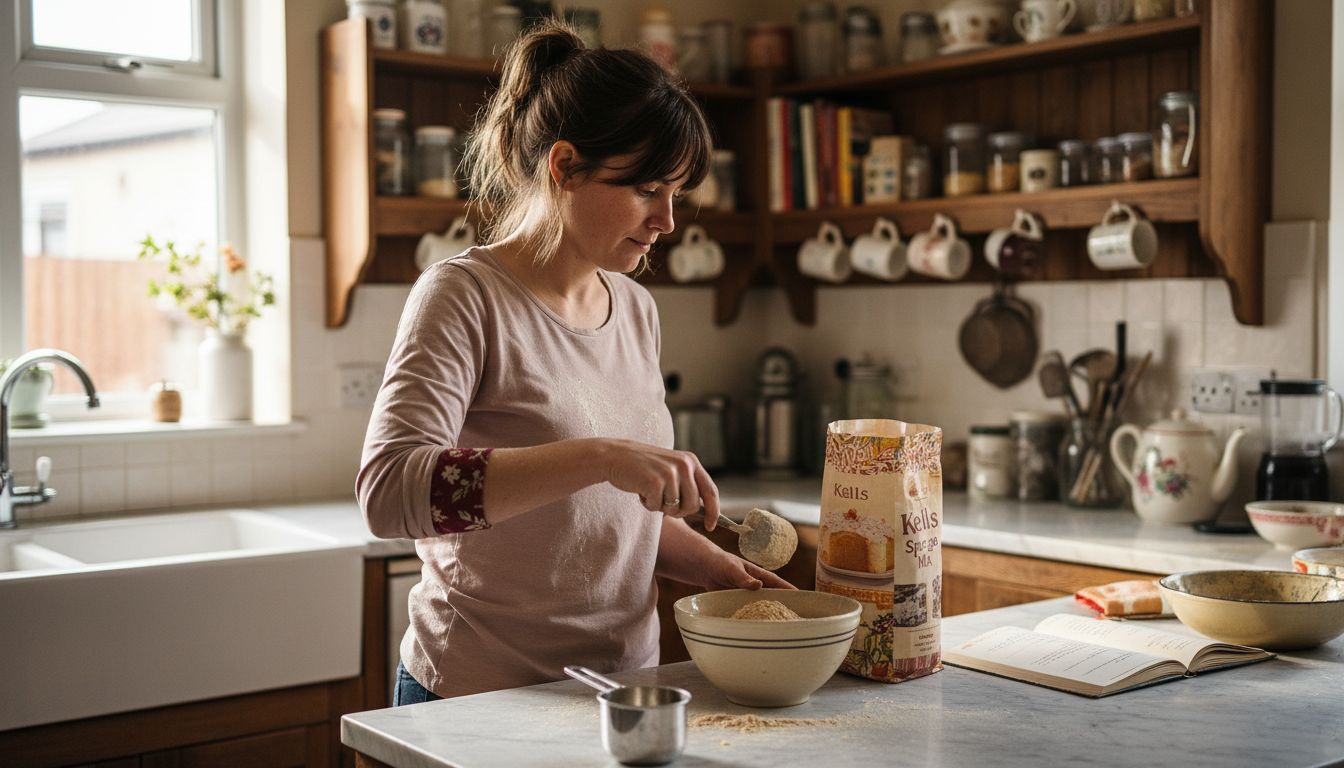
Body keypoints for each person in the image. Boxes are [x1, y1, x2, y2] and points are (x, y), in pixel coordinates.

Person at [357, 21, 793, 706]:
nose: (667, 221)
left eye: (677, 193)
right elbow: (389, 491)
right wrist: (597, 456)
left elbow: (603, 518)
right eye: (648, 188)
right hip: (480, 699)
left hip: (622, 693)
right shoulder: (463, 295)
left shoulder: (636, 309)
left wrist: (705, 562)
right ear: (564, 167)